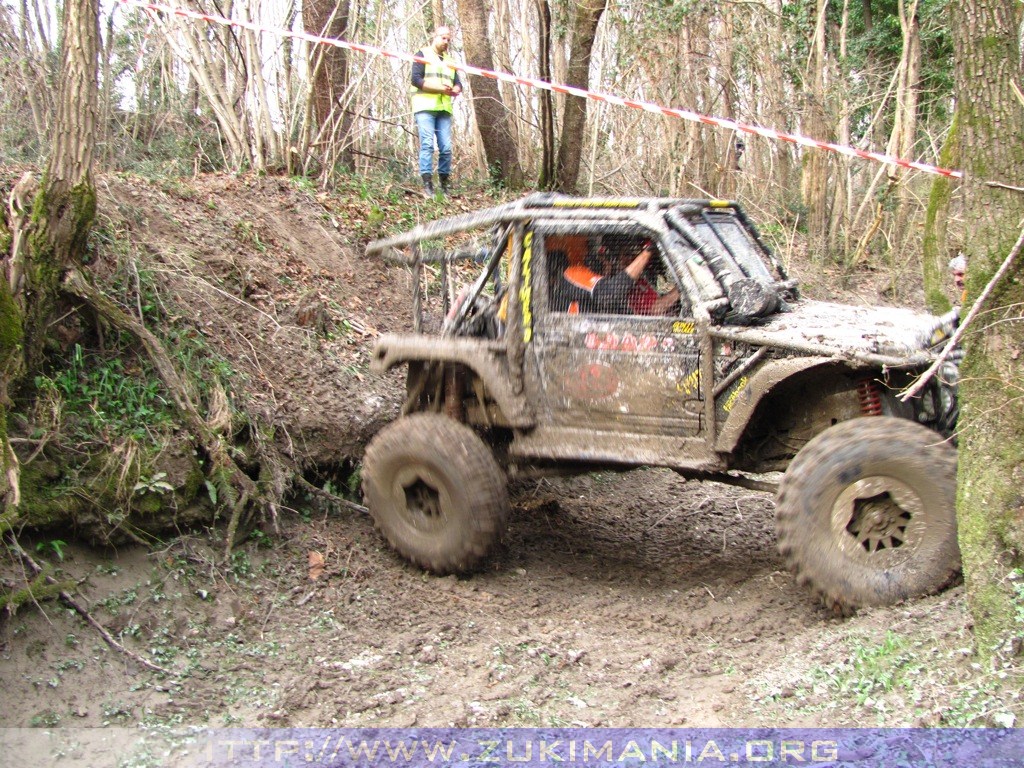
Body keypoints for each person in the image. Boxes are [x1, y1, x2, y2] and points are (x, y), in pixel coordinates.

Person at [411, 26, 462, 198]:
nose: (446, 42)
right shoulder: (422, 54)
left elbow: (458, 83)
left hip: (444, 109)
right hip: (425, 106)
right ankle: (427, 185)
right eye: (443, 38)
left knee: (446, 148)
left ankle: (444, 185)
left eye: (449, 39)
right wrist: (441, 89)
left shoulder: (450, 60)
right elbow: (416, 79)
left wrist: (455, 88)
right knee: (427, 144)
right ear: (435, 37)